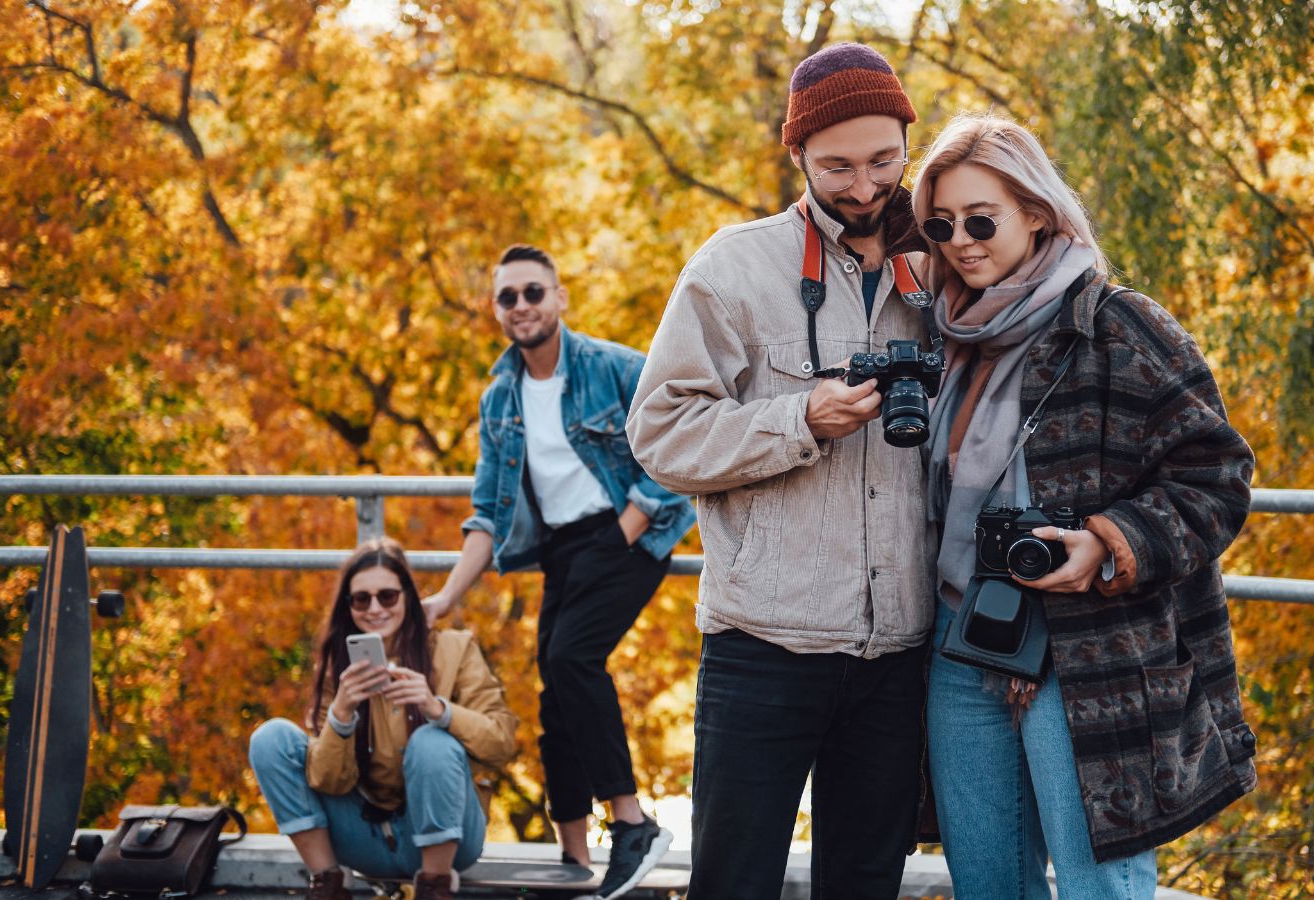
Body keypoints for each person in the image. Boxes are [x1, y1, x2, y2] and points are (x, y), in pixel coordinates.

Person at [909, 112, 1259, 898]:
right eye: (940, 223)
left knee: (1102, 886)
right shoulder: (941, 340)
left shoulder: (1117, 326)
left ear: (1037, 212)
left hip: (1089, 652)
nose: (959, 240)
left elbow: (1219, 476)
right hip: (963, 642)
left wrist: (1108, 543)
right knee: (989, 884)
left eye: (980, 218)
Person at [627, 42, 935, 900]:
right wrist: (799, 418)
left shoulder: (948, 267)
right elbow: (658, 433)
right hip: (763, 646)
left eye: (884, 160)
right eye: (836, 165)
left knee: (867, 886)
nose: (865, 186)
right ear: (795, 156)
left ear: (909, 142)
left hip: (900, 649)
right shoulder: (732, 269)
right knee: (732, 884)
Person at [421, 244, 695, 900]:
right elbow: (487, 514)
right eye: (508, 297)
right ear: (496, 310)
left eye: (533, 293)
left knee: (572, 659)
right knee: (555, 696)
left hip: (628, 536)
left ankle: (631, 822)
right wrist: (445, 598)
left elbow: (678, 436)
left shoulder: (611, 366)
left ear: (559, 298)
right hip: (561, 551)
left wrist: (626, 529)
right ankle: (576, 856)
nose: (521, 306)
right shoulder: (500, 400)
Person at [248, 538, 518, 900]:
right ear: (350, 606)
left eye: (387, 596)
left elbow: (501, 743)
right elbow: (328, 781)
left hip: (448, 839)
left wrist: (438, 709)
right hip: (364, 834)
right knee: (270, 738)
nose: (375, 608)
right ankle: (328, 883)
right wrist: (341, 717)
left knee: (432, 741)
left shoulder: (455, 649)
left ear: (407, 596)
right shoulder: (340, 666)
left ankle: (434, 888)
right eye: (361, 599)